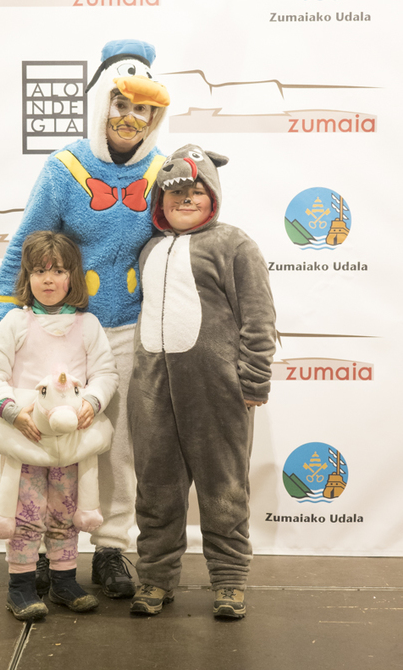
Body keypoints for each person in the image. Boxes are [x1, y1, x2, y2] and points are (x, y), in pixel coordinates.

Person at [0, 39, 170, 598]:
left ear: (155, 117)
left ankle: (110, 548)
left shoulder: (162, 171)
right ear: (101, 104)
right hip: (61, 325)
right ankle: (44, 549)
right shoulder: (64, 167)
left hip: (130, 327)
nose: (130, 119)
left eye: (143, 110)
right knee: (45, 434)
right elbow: (29, 240)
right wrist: (2, 314)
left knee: (118, 446)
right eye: (121, 104)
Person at [127, 145, 277, 618]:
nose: (186, 199)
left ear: (213, 195)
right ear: (161, 202)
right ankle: (155, 578)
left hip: (217, 391)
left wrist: (253, 381)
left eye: (197, 191)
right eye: (175, 194)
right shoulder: (150, 248)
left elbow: (258, 317)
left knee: (224, 489)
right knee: (155, 489)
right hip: (152, 391)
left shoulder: (234, 244)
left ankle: (229, 581)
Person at [0, 231, 119, 620]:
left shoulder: (88, 325)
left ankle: (64, 581)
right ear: (27, 277)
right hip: (27, 436)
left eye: (58, 271)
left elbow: (105, 373)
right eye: (39, 271)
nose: (48, 279)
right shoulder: (15, 322)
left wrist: (92, 401)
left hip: (70, 440)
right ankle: (21, 587)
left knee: (65, 510)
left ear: (72, 276)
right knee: (25, 512)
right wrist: (12, 411)